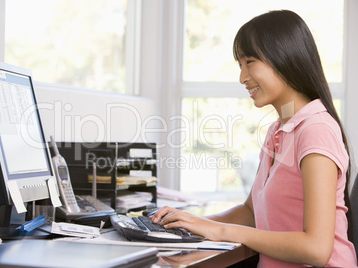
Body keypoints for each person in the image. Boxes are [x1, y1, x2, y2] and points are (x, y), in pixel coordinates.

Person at [152, 10, 357, 267]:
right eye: (240, 65)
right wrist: (189, 224)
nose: (242, 77)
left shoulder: (316, 130)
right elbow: (250, 213)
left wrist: (221, 231)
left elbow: (316, 249)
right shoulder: (278, 131)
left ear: (284, 55)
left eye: (250, 61)